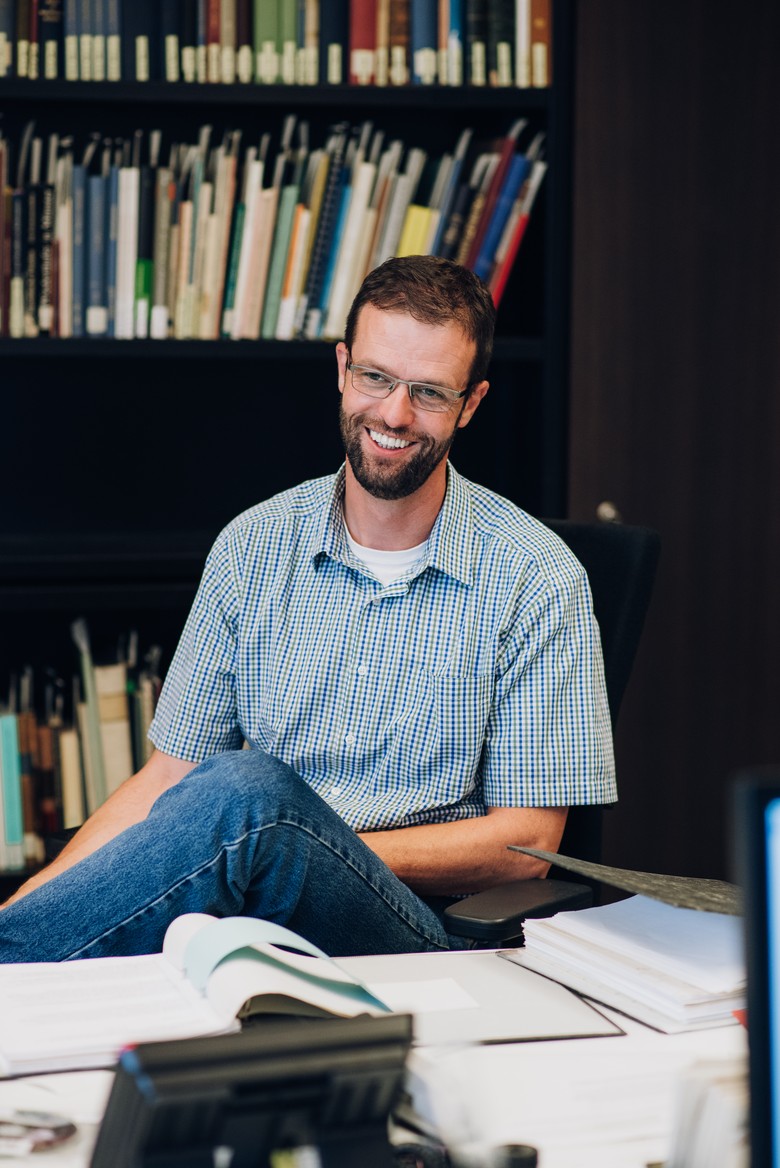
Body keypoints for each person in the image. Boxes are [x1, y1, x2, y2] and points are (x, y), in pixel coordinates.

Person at [0, 256, 615, 962]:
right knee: (231, 805)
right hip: (243, 908)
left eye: (429, 393)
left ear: (471, 404)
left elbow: (526, 847)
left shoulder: (536, 578)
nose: (393, 414)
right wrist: (29, 903)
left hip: (412, 925)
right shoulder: (252, 545)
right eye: (376, 378)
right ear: (343, 368)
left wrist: (302, 839)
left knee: (246, 794)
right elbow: (165, 783)